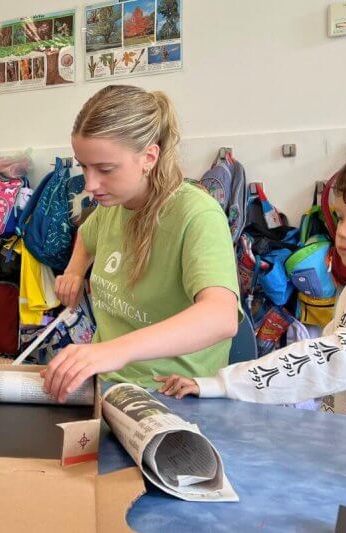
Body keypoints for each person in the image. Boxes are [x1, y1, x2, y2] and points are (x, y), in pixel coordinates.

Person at [156, 144, 346, 425]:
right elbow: (326, 379)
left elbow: (325, 361)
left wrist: (221, 384)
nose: (343, 231)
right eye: (341, 217)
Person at [43, 85, 240, 402]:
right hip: (107, 387)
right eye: (83, 166)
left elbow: (221, 316)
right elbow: (87, 235)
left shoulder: (197, 214)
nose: (90, 185)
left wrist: (113, 351)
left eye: (105, 169)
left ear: (148, 157)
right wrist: (75, 269)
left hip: (170, 394)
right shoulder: (112, 206)